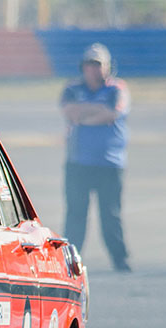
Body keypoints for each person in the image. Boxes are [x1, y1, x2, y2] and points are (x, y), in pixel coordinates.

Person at [60, 43, 132, 272]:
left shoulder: (117, 89)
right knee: (75, 215)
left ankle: (120, 260)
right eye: (89, 64)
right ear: (83, 66)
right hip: (78, 163)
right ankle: (69, 263)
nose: (93, 69)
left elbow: (111, 114)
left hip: (109, 164)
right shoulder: (72, 89)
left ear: (108, 67)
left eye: (98, 64)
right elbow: (70, 111)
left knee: (110, 216)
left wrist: (85, 116)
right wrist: (95, 113)